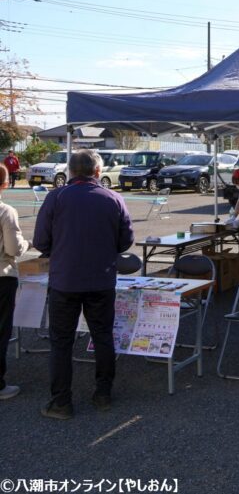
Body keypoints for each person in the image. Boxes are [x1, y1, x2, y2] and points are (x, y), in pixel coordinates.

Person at [33, 149, 134, 419]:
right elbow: (126, 241)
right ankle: (103, 394)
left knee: (61, 342)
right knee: (102, 336)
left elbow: (40, 242)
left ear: (71, 171)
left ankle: (61, 402)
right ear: (98, 172)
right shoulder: (114, 198)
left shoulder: (57, 197)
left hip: (65, 280)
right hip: (101, 279)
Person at [0, 165, 28, 401]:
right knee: (0, 331)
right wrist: (26, 244)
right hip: (2, 275)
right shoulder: (5, 211)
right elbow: (13, 248)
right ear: (5, 184)